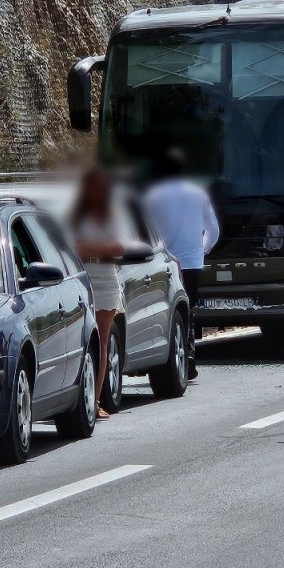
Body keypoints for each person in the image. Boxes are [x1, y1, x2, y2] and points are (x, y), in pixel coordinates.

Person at [143, 148, 220, 379]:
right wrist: (202, 248)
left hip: (165, 261)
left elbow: (146, 232)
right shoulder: (199, 194)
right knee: (189, 309)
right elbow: (213, 230)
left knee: (169, 309)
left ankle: (173, 358)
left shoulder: (152, 195)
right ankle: (189, 357)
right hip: (192, 262)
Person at [71, 168, 124, 420]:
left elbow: (119, 248)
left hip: (107, 278)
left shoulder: (111, 216)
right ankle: (79, 398)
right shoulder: (77, 217)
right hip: (85, 278)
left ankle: (97, 399)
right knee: (84, 340)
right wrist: (100, 249)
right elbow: (73, 248)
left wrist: (91, 248)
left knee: (102, 341)